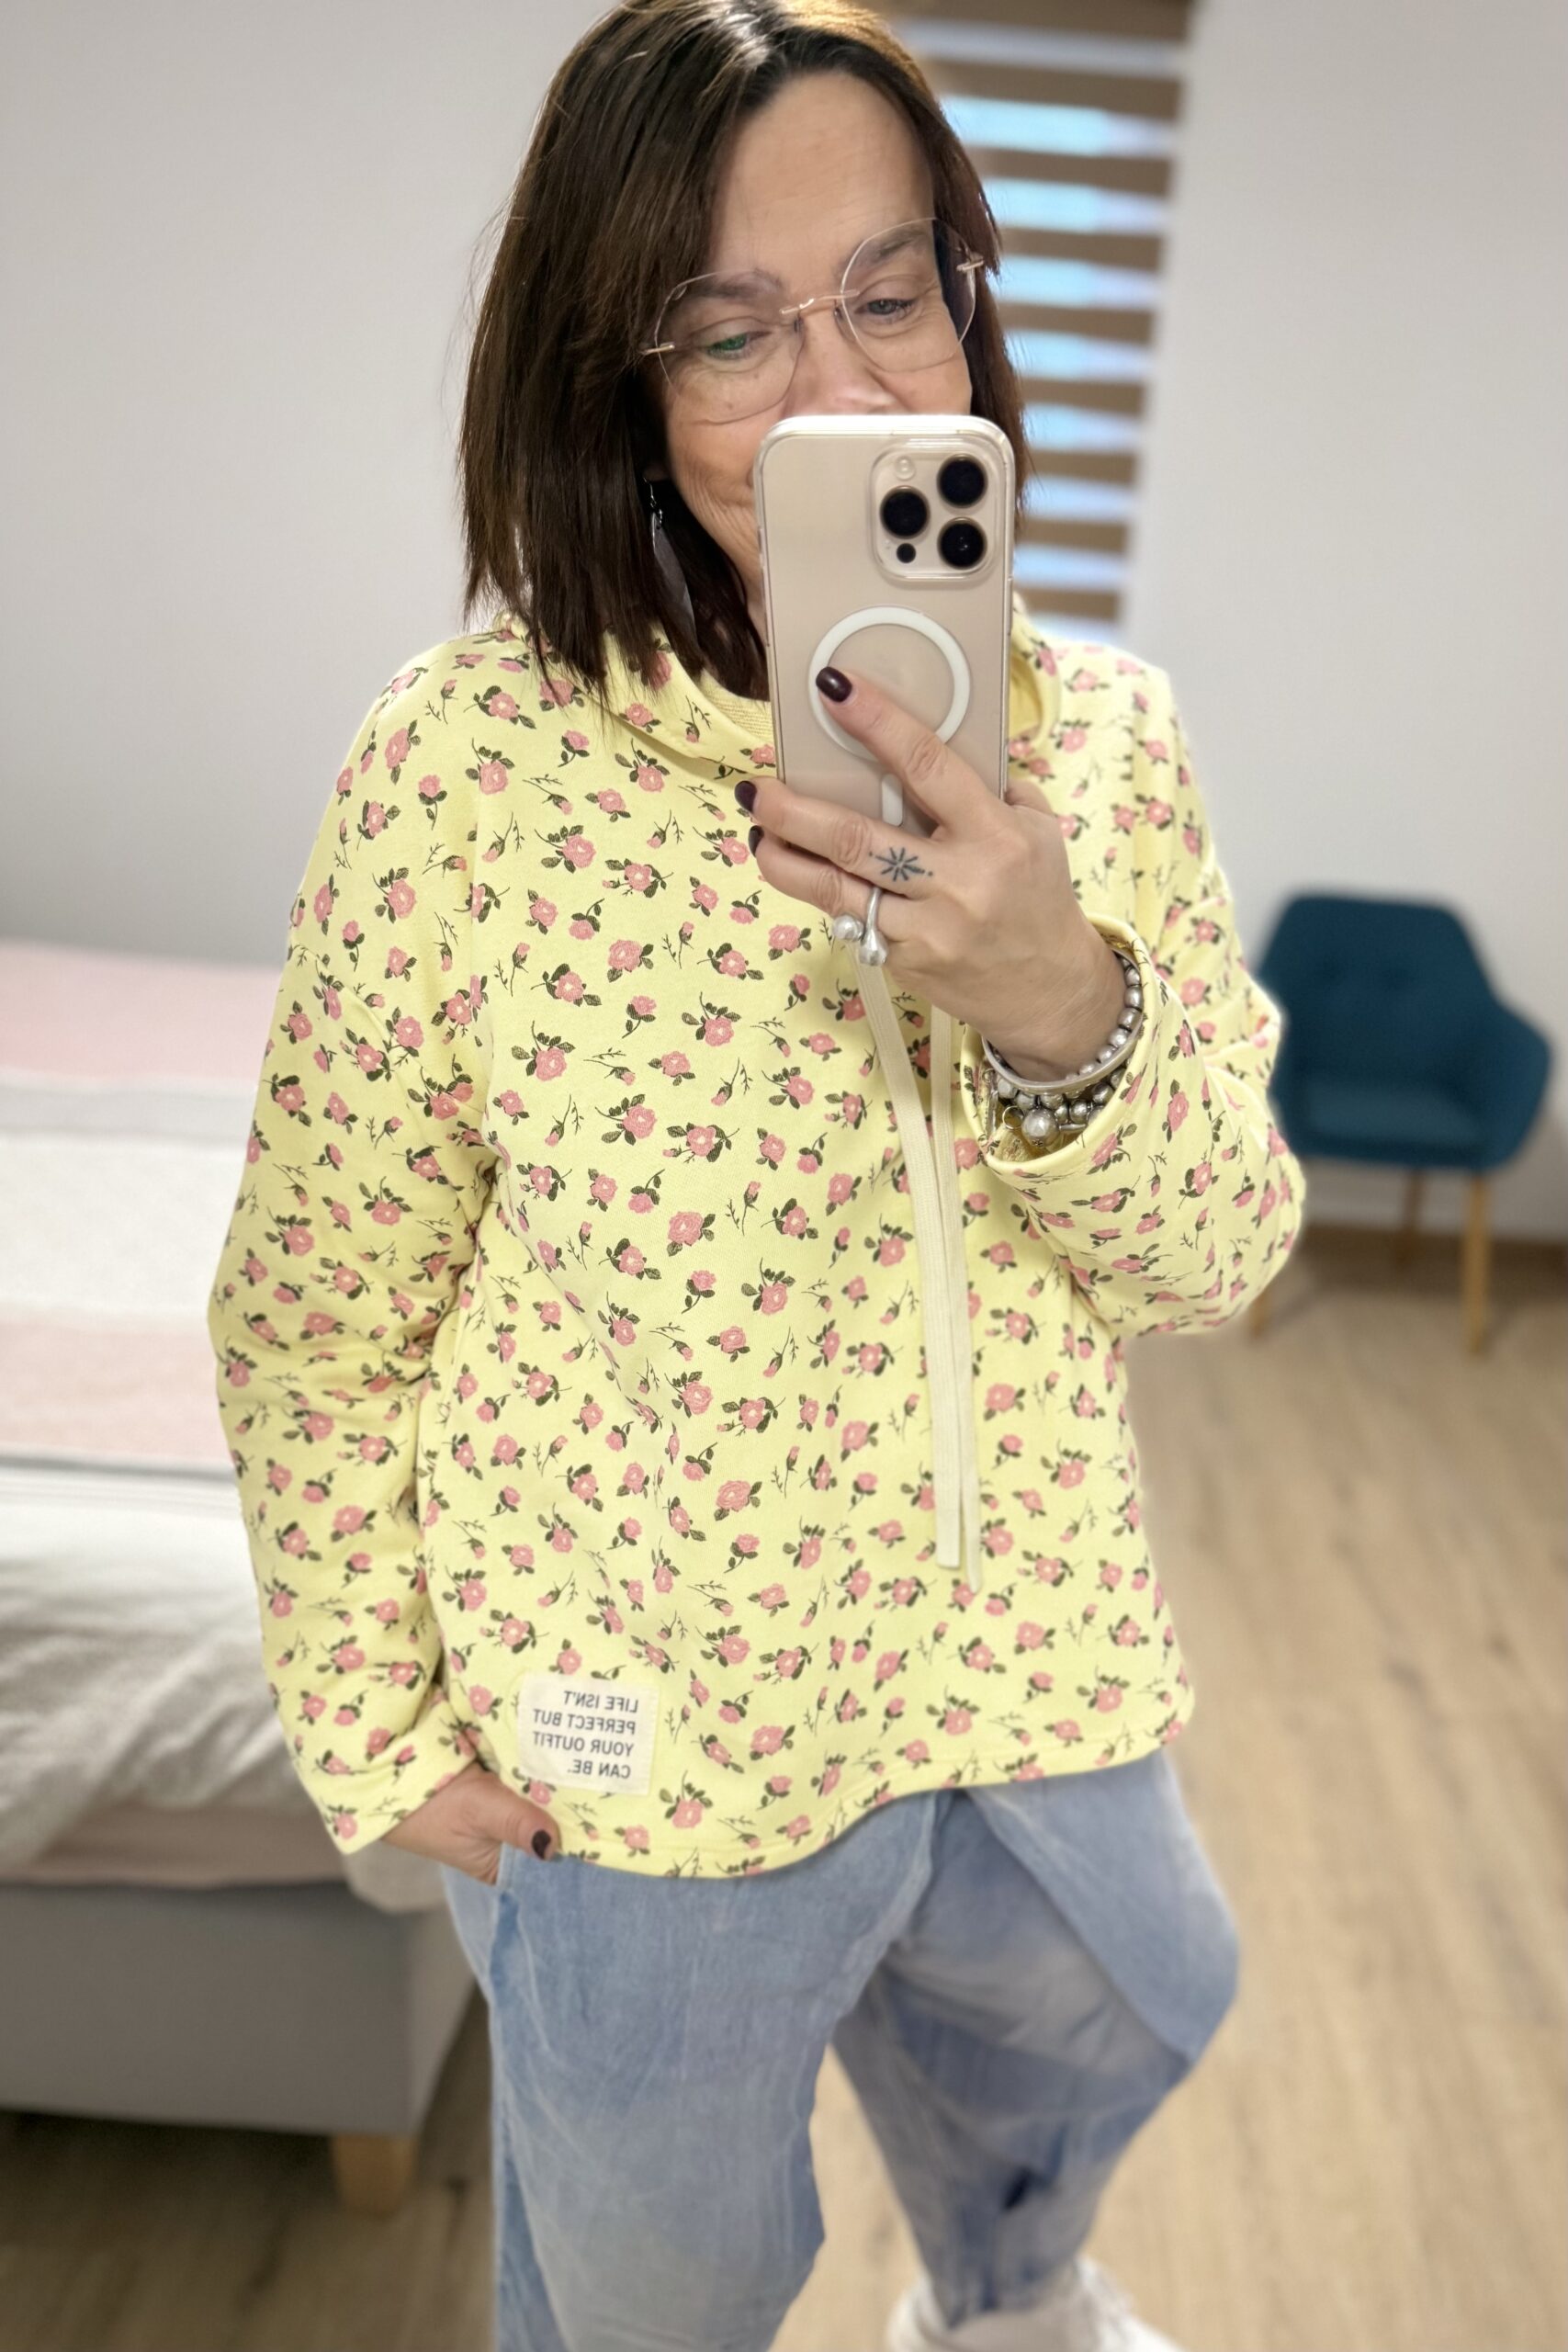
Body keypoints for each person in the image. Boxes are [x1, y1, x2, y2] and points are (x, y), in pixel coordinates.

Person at [206, 4, 1306, 2346]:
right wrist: (372, 1716)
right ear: (613, 384)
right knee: (657, 2285)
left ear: (967, 305)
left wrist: (1059, 998)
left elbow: (1216, 1258)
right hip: (653, 1738)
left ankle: (999, 2293)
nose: (838, 393)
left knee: (1139, 1995)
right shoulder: (463, 770)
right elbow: (317, 1309)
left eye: (888, 292)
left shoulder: (1104, 749)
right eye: (729, 332)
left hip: (1022, 1666)